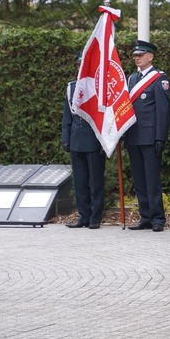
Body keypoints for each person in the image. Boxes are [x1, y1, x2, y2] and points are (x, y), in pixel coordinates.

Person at [125, 40, 170, 232]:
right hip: (133, 135)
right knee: (139, 180)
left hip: (150, 136)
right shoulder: (131, 79)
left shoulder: (159, 78)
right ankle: (145, 216)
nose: (137, 58)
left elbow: (162, 110)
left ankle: (158, 218)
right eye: (135, 55)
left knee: (152, 179)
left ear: (150, 57)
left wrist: (160, 137)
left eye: (140, 55)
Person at [61, 51, 106, 229]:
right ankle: (83, 216)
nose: (81, 67)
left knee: (95, 181)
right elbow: (67, 116)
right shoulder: (71, 87)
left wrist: (104, 141)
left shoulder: (99, 87)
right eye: (79, 64)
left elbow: (105, 117)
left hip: (94, 140)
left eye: (85, 64)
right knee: (80, 181)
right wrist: (66, 138)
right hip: (76, 140)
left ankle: (95, 217)